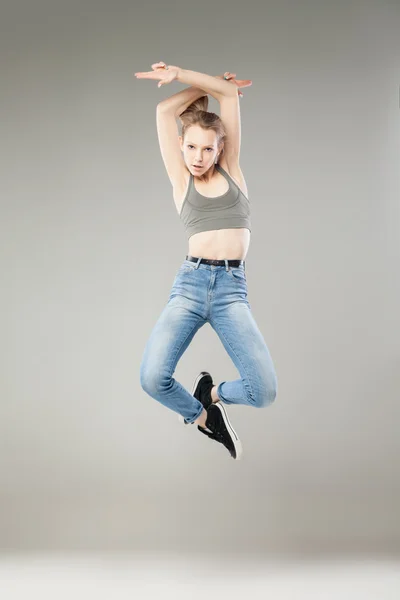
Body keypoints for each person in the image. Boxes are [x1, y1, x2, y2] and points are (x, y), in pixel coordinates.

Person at [136, 62, 278, 460]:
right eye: (191, 147)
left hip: (232, 291)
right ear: (182, 146)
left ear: (221, 148)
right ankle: (203, 417)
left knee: (263, 391)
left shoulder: (232, 170)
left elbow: (228, 96)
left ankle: (211, 393)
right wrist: (184, 81)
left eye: (208, 148)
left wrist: (205, 81)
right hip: (191, 286)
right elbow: (165, 113)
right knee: (152, 377)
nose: (198, 157)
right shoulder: (181, 182)